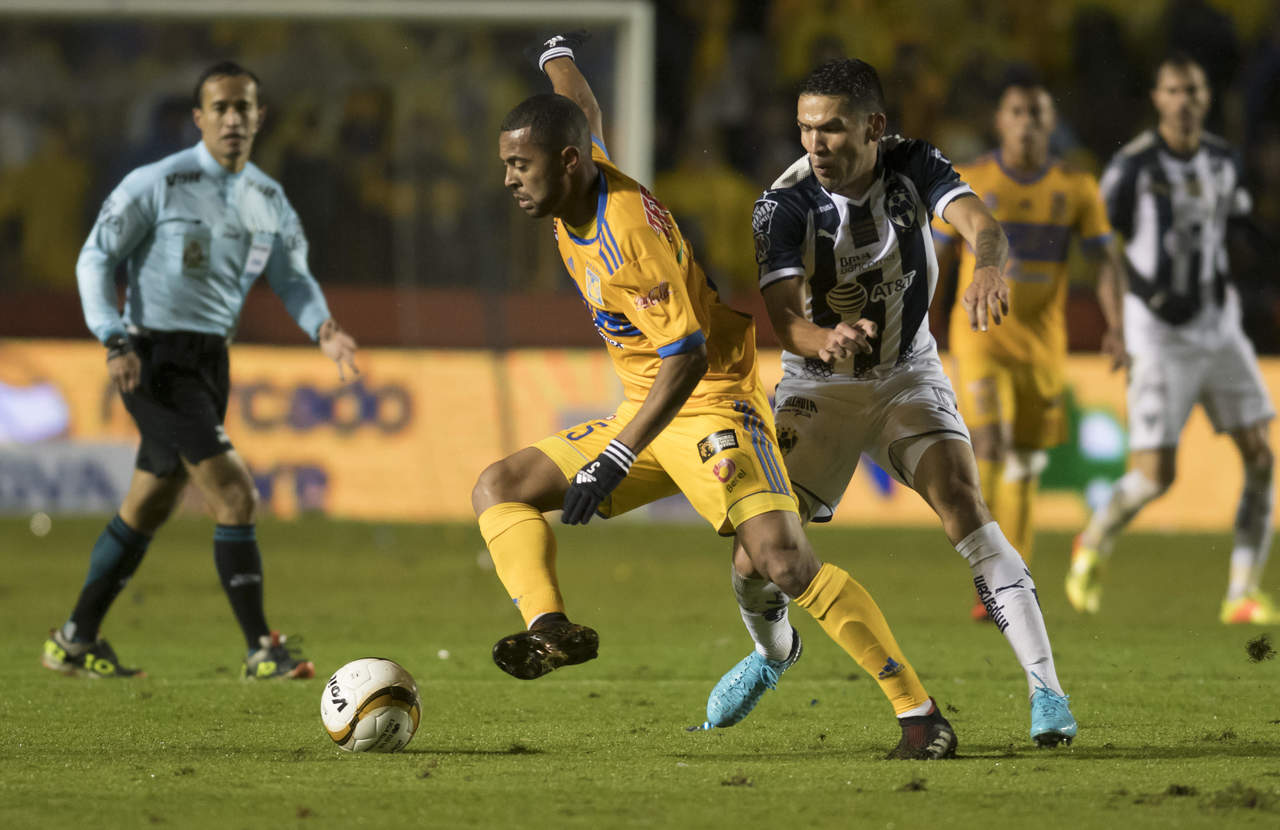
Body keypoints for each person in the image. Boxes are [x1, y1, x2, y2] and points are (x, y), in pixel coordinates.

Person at [473, 33, 958, 760]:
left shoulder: (628, 237)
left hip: (710, 402)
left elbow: (688, 352)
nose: (509, 178)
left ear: (565, 163)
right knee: (500, 487)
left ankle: (920, 715)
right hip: (649, 405)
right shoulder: (582, 171)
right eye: (507, 162)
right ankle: (551, 629)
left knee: (784, 563)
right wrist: (555, 52)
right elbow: (580, 105)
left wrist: (614, 454)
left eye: (519, 164)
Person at [703, 58, 1078, 748]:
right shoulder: (780, 206)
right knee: (757, 557)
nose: (816, 144)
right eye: (806, 128)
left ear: (874, 127)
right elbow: (784, 320)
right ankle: (773, 653)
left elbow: (981, 224)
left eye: (834, 128)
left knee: (963, 503)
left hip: (907, 373)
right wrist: (827, 337)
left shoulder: (914, 165)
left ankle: (1047, 693)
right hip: (819, 385)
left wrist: (990, 262)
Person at [41, 61, 358, 680]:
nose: (234, 118)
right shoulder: (156, 183)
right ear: (199, 118)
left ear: (260, 117)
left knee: (149, 502)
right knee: (234, 490)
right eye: (221, 108)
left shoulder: (266, 197)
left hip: (212, 359)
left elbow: (292, 278)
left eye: (244, 107)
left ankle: (73, 641)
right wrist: (113, 338)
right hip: (151, 358)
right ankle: (260, 650)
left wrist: (322, 327)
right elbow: (94, 259)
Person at [1066, 54, 1276, 624]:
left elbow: (1234, 233)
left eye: (1194, 90)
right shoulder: (1131, 167)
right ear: (1157, 99)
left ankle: (1242, 594)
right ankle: (1094, 540)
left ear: (1206, 99)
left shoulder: (1223, 161)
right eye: (1173, 90)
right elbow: (1105, 249)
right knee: (1157, 476)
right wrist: (1116, 323)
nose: (1184, 100)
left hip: (1217, 323)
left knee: (1261, 456)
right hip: (1156, 332)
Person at [932, 72, 1128, 621]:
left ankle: (1009, 578)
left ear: (1051, 123)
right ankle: (989, 582)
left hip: (1043, 349)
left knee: (1024, 463)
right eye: (1017, 111)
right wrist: (924, 321)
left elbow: (1106, 261)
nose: (1027, 122)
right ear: (1000, 121)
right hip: (982, 339)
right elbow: (938, 257)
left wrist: (1116, 324)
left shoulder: (1076, 188)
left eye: (1038, 112)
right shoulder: (969, 182)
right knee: (990, 446)